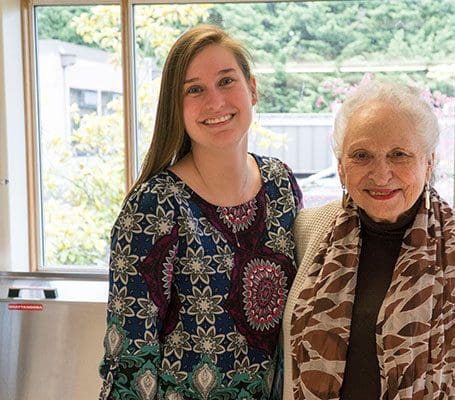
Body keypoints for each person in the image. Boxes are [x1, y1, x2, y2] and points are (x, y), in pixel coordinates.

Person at [281, 80, 455, 399]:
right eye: (361, 155)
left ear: (428, 163)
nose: (381, 174)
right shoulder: (309, 229)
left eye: (399, 155)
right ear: (341, 168)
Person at [98, 25, 302, 400]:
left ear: (252, 89)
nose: (215, 102)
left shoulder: (280, 184)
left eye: (227, 81)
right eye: (194, 89)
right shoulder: (155, 206)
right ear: (176, 107)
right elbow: (129, 358)